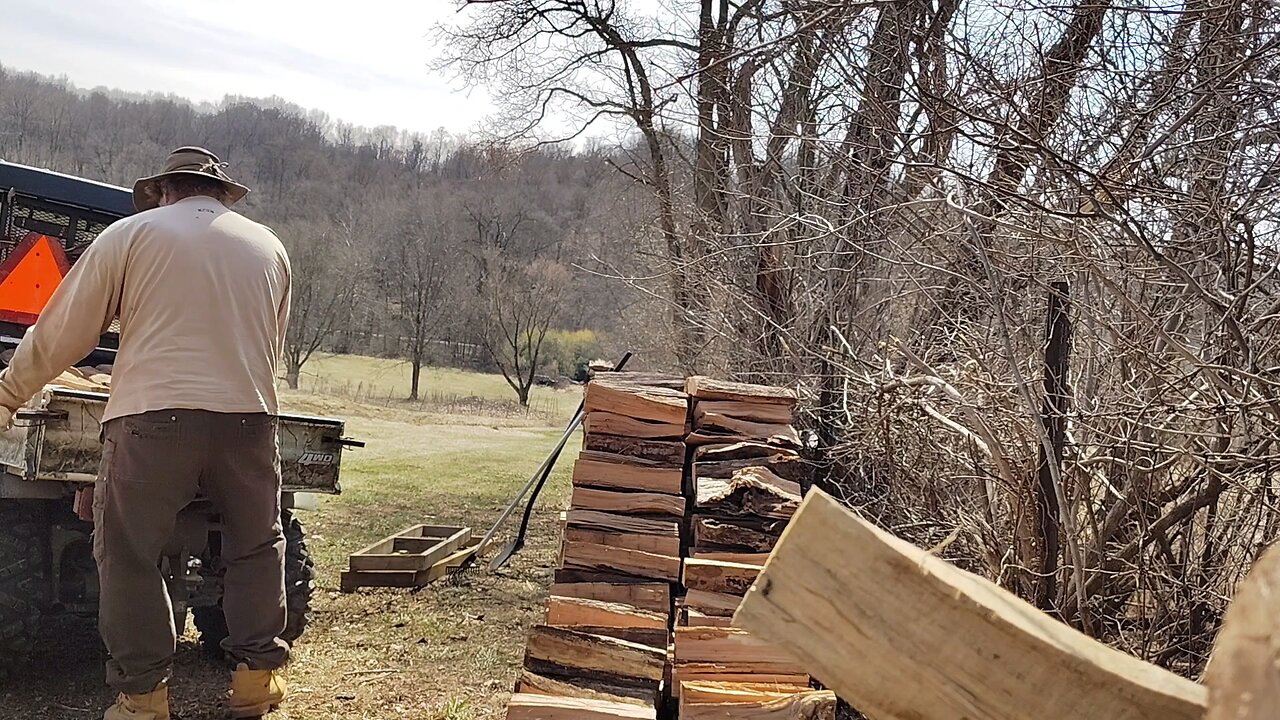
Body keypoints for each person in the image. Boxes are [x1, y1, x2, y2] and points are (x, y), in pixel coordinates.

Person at [0, 147, 292, 720]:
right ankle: (256, 680)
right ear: (221, 194)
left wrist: (9, 394)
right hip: (250, 420)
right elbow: (269, 346)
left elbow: (64, 332)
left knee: (130, 554)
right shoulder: (270, 248)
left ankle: (143, 698)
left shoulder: (130, 235)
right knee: (258, 546)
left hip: (151, 419)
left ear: (162, 191)